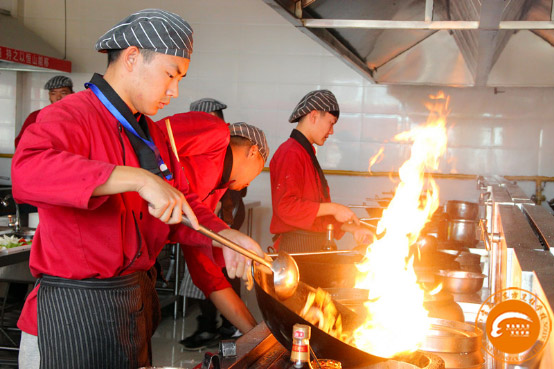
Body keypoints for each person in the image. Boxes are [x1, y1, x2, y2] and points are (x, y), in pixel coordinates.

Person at [11, 9, 263, 369]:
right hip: (72, 313)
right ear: (132, 58)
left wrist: (224, 236)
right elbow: (27, 171)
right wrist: (139, 178)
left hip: (131, 306)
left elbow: (177, 206)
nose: (174, 91)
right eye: (170, 75)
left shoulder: (151, 134)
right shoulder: (71, 115)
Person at [157, 111, 267, 349]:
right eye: (260, 170)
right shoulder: (216, 133)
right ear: (253, 151)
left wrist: (258, 337)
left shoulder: (209, 199)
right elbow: (147, 141)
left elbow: (210, 277)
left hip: (138, 268)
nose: (250, 182)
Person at [270, 89, 373, 252]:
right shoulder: (291, 152)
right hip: (297, 249)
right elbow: (286, 207)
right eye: (331, 123)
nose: (331, 131)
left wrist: (355, 229)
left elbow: (317, 215)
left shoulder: (305, 152)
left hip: (313, 246)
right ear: (314, 116)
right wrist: (334, 208)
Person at [14, 75, 74, 148]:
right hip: (42, 158)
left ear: (73, 94)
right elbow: (20, 142)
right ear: (49, 96)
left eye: (63, 93)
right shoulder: (35, 116)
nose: (58, 97)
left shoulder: (79, 116)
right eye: (53, 93)